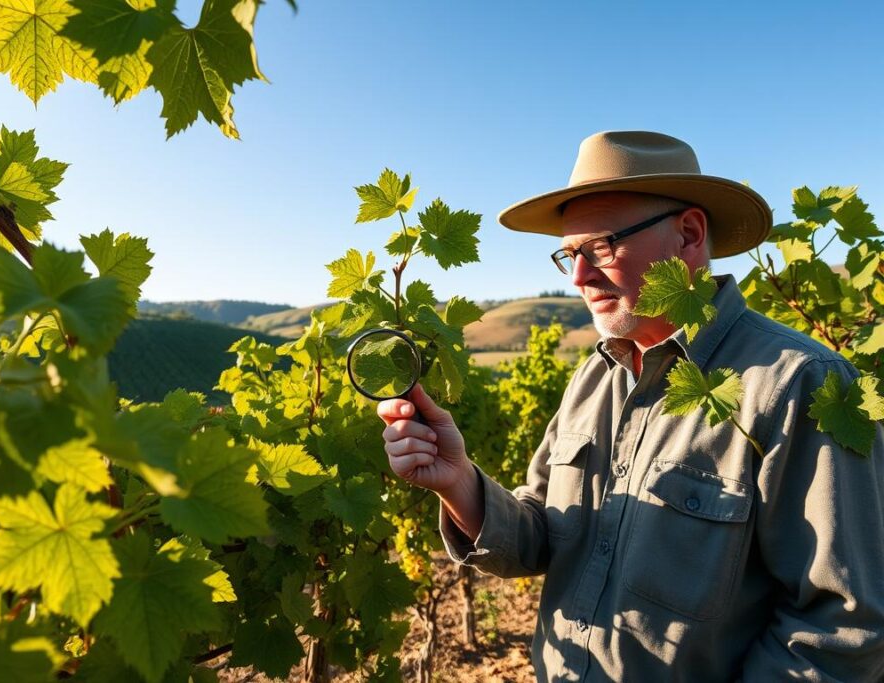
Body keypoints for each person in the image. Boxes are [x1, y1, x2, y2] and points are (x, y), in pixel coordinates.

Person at [378, 131, 884, 682]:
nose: (579, 277)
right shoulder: (595, 376)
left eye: (600, 247)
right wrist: (458, 484)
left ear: (689, 235)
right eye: (569, 254)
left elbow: (843, 632)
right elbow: (542, 538)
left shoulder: (798, 384)